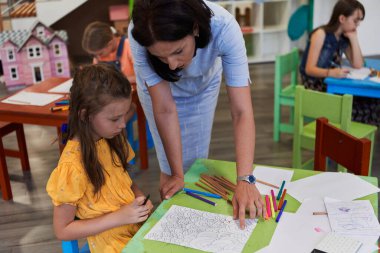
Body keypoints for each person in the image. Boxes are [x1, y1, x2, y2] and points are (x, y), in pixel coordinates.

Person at [129, 0, 265, 228]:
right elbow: (164, 109)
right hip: (159, 92)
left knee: (195, 162)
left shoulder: (224, 28)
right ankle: (173, 231)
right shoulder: (140, 34)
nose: (172, 65)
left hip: (203, 83)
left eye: (178, 51)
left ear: (194, 28)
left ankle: (192, 228)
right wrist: (176, 174)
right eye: (161, 57)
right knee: (172, 172)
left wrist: (245, 179)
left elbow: (241, 111)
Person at [46, 64, 153, 253]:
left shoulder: (110, 138)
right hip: (111, 244)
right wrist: (120, 217)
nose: (122, 125)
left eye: (124, 115)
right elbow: (62, 230)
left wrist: (139, 197)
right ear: (85, 115)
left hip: (135, 227)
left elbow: (125, 181)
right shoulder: (73, 167)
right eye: (114, 119)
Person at [300, 0, 380, 126]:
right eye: (355, 20)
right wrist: (331, 72)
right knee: (366, 106)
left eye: (359, 21)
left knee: (374, 102)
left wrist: (354, 38)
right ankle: (345, 138)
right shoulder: (320, 34)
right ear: (342, 18)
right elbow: (309, 69)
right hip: (315, 85)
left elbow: (358, 64)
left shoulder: (343, 37)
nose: (358, 24)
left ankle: (352, 139)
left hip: (331, 80)